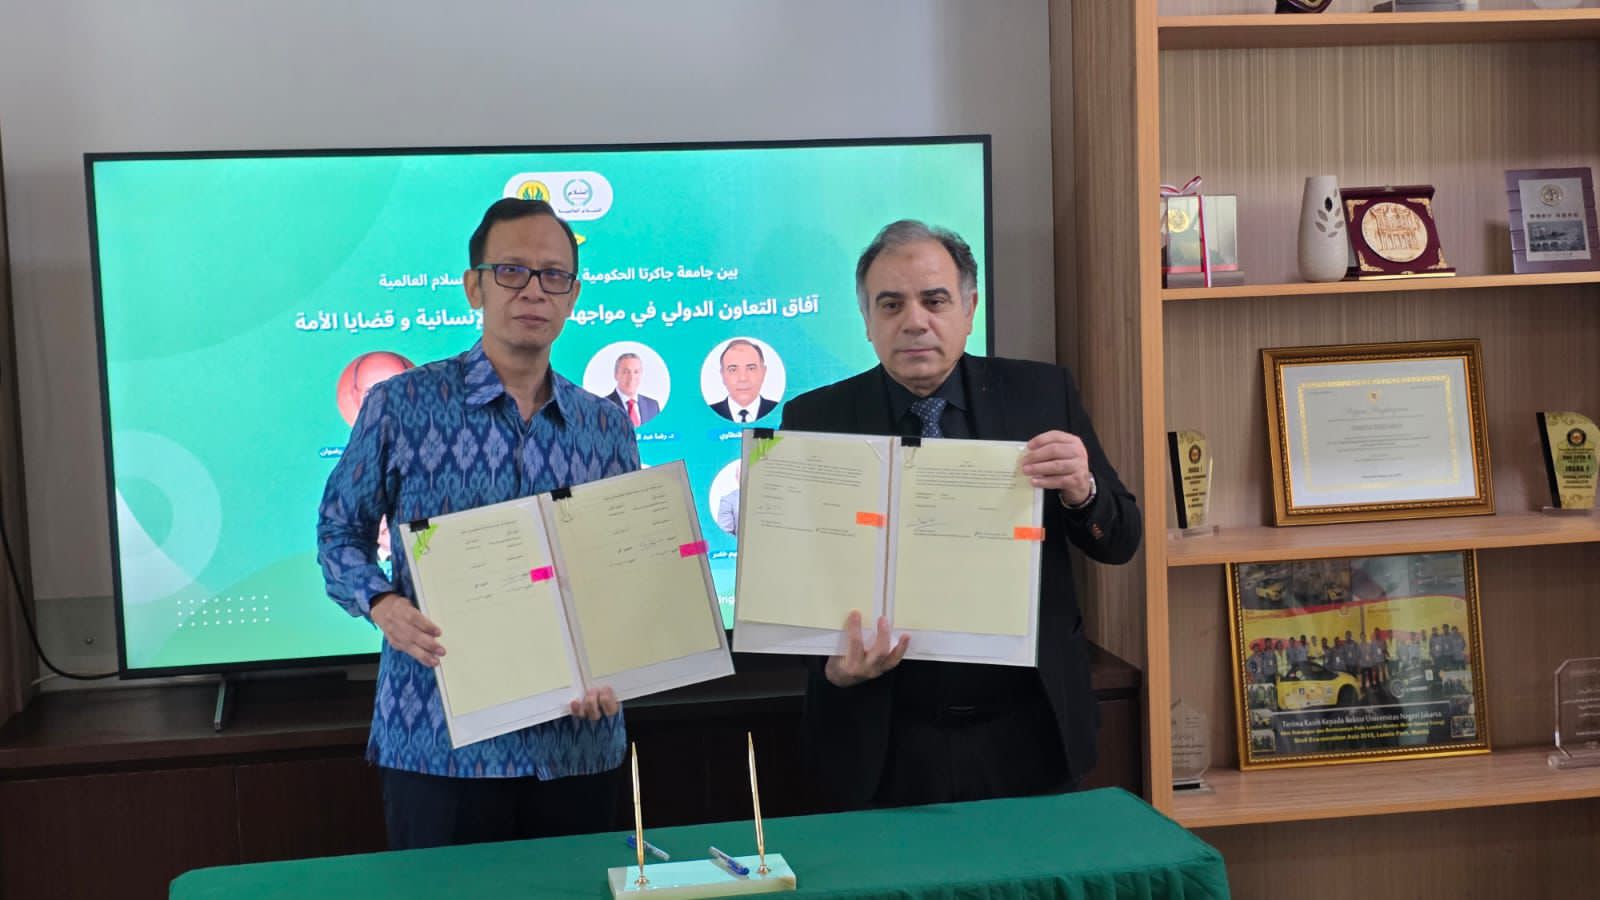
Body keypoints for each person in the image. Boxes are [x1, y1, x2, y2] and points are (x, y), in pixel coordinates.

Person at [780, 219, 1141, 810]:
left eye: (935, 300)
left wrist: (1083, 490)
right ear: (866, 320)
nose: (914, 321)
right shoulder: (815, 420)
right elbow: (796, 583)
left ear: (969, 309)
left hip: (1029, 729)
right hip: (883, 736)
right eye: (891, 304)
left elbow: (1120, 539)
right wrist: (831, 667)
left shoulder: (1040, 394)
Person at [317, 198, 639, 850]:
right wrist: (381, 603)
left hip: (574, 742)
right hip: (439, 741)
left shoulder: (604, 425)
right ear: (474, 287)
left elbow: (624, 567)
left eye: (553, 275)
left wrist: (624, 664)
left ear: (573, 295)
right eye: (511, 271)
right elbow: (338, 533)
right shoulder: (402, 404)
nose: (533, 290)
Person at [709, 339, 778, 423]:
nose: (743, 378)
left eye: (751, 368)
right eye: (733, 370)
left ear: (763, 372)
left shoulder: (782, 411)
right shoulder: (707, 413)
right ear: (722, 374)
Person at [604, 352, 661, 427]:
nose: (631, 377)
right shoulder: (602, 406)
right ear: (616, 375)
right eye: (626, 372)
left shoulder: (652, 406)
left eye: (636, 372)